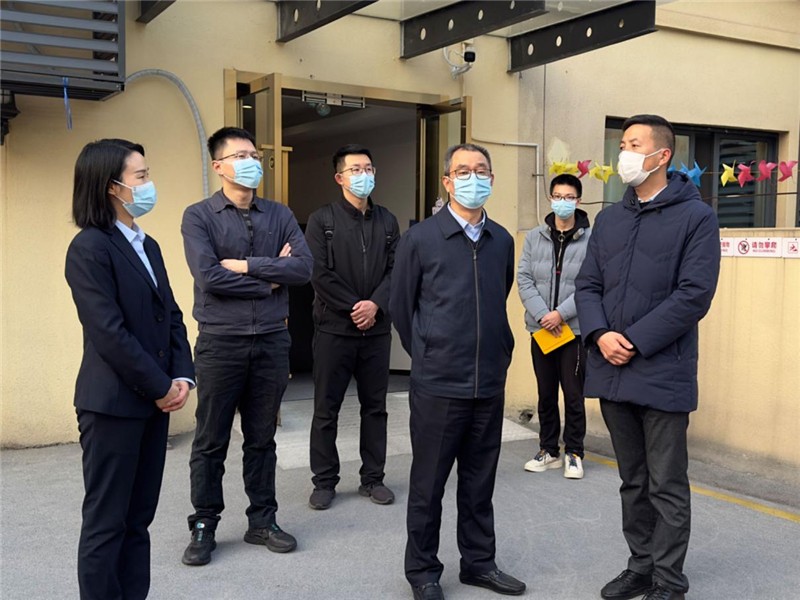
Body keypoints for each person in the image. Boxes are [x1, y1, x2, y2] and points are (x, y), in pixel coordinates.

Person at [575, 115, 720, 600]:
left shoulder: (696, 217)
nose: (624, 154)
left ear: (662, 155)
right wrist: (599, 334)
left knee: (666, 483)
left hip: (662, 369)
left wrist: (632, 340)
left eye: (634, 145)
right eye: (622, 144)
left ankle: (669, 580)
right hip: (611, 368)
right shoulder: (610, 219)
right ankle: (640, 566)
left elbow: (694, 294)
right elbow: (587, 285)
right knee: (632, 481)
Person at [390, 143, 526, 600]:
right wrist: (428, 353)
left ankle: (479, 563)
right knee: (428, 485)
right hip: (438, 385)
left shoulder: (501, 240)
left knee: (479, 482)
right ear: (447, 181)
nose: (473, 178)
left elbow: (498, 295)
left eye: (481, 170)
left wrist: (499, 350)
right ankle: (423, 572)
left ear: (492, 179)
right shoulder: (420, 239)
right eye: (463, 171)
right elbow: (401, 306)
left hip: (488, 381)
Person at [65, 139, 195, 599]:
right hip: (113, 406)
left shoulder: (147, 244)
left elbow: (171, 315)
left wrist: (182, 376)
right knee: (107, 523)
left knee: (139, 519)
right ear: (111, 186)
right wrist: (159, 386)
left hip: (153, 403)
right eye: (140, 176)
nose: (148, 183)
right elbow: (109, 332)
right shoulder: (89, 248)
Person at [180, 127, 312, 566]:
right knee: (210, 440)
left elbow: (304, 269)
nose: (251, 162)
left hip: (272, 340)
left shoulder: (280, 214)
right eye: (240, 156)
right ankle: (204, 523)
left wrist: (246, 266)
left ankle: (263, 520)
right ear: (218, 166)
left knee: (262, 438)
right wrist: (270, 279)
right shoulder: (199, 216)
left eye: (254, 155)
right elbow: (208, 277)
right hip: (221, 342)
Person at [304, 144, 400, 510]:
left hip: (376, 331)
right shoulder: (322, 220)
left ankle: (373, 478)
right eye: (356, 169)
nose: (364, 175)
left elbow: (396, 269)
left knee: (375, 407)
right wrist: (354, 307)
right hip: (334, 330)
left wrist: (375, 304)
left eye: (369, 168)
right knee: (326, 408)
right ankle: (324, 481)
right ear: (339, 178)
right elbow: (318, 273)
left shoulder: (387, 221)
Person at [518, 173, 591, 479]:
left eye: (569, 197)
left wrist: (560, 314)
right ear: (550, 198)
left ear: (578, 200)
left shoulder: (591, 239)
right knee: (545, 393)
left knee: (573, 394)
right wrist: (542, 315)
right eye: (558, 196)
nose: (563, 202)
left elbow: (590, 284)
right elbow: (524, 279)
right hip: (542, 330)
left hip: (573, 330)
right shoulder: (535, 237)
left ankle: (574, 451)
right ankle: (549, 450)